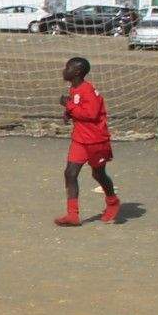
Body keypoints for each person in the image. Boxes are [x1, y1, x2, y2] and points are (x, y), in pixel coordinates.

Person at [56, 56, 120, 226]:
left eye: (67, 68)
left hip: (96, 140)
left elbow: (90, 114)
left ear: (77, 72)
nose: (64, 71)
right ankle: (72, 215)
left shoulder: (88, 90)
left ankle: (112, 201)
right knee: (70, 173)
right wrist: (68, 113)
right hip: (79, 140)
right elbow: (78, 108)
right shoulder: (74, 89)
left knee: (98, 174)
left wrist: (68, 106)